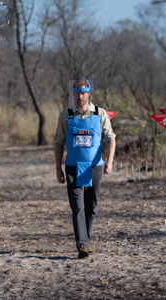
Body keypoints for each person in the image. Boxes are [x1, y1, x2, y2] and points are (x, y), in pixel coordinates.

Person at [54, 78, 116, 259]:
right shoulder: (65, 115)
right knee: (77, 206)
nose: (80, 96)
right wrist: (58, 168)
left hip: (95, 167)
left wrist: (109, 161)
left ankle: (86, 240)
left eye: (83, 92)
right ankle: (81, 244)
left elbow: (110, 137)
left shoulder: (100, 113)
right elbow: (58, 141)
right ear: (72, 94)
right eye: (77, 92)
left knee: (91, 206)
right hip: (73, 167)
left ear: (89, 93)